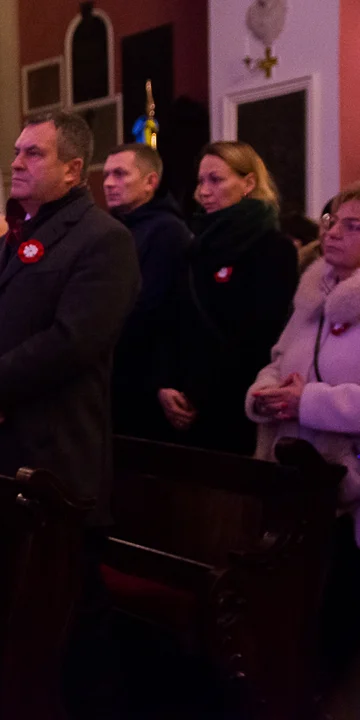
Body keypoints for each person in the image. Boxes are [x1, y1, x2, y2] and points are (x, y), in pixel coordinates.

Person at [0, 112, 139, 711]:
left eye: (33, 153)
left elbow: (74, 340)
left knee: (69, 614)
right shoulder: (15, 233)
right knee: (3, 597)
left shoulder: (103, 240)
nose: (16, 163)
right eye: (15, 151)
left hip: (54, 459)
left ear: (73, 169)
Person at [245, 184, 360, 683]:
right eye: (333, 219)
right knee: (295, 625)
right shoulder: (314, 291)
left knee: (337, 631)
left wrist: (307, 401)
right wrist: (264, 394)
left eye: (353, 225)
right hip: (296, 489)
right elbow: (278, 360)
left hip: (350, 494)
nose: (333, 230)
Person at [156, 141, 298, 454]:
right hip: (181, 403)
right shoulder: (195, 247)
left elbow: (259, 335)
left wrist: (198, 394)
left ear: (248, 183)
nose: (203, 191)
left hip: (236, 405)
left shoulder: (272, 248)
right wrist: (166, 384)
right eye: (200, 181)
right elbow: (173, 321)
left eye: (216, 180)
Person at [102, 143, 192, 438]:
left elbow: (151, 306)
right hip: (111, 372)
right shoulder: (110, 229)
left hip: (142, 374)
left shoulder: (167, 231)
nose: (108, 183)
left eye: (120, 174)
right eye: (106, 175)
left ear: (150, 182)